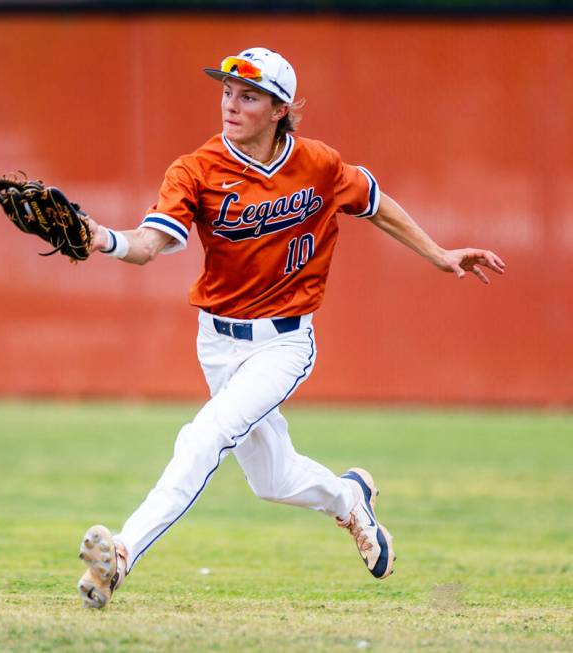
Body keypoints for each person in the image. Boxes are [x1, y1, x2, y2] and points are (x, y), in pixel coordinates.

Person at [75, 47, 505, 609]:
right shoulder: (196, 169)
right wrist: (103, 239)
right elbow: (148, 245)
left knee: (205, 437)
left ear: (279, 109)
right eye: (227, 91)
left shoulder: (319, 165)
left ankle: (123, 553)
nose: (231, 104)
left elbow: (374, 202)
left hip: (283, 343)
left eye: (248, 96)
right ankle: (350, 499)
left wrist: (439, 253)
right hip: (217, 341)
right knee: (271, 480)